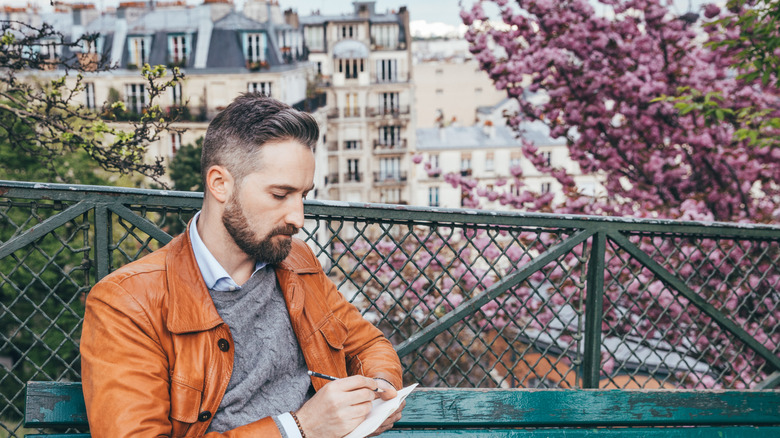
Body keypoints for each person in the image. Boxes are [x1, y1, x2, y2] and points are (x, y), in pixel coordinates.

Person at [80, 94, 404, 438]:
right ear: (220, 184)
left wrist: (377, 393)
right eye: (280, 195)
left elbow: (369, 345)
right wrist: (300, 428)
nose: (298, 218)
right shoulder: (127, 303)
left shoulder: (297, 262)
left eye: (303, 196)